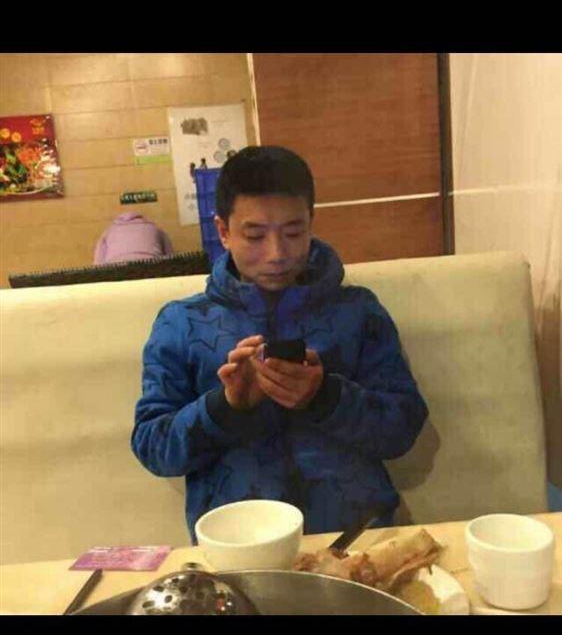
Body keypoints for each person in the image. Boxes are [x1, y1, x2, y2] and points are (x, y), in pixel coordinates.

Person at [131, 146, 428, 541]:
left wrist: (325, 397)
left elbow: (403, 428)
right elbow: (154, 447)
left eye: (293, 233)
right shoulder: (181, 323)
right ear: (223, 231)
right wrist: (226, 406)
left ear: (311, 223)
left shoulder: (358, 311)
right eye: (255, 235)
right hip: (240, 544)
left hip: (356, 538)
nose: (277, 254)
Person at [94, 212, 174, 265]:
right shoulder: (154, 228)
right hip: (152, 265)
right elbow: (171, 259)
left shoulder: (109, 231)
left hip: (116, 268)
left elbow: (98, 265)